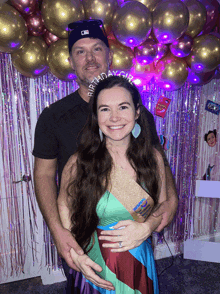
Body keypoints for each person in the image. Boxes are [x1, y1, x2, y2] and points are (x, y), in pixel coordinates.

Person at [33, 19, 178, 289]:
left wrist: (166, 205)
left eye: (97, 49)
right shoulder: (53, 117)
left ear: (109, 55)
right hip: (84, 234)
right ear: (70, 60)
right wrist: (60, 233)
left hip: (135, 234)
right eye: (80, 51)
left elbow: (157, 163)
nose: (90, 58)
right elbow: (43, 176)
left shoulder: (142, 115)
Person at [58, 75, 166, 293]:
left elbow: (163, 204)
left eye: (123, 107)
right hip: (98, 263)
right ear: (96, 116)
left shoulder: (153, 157)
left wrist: (147, 227)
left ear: (137, 112)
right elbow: (63, 204)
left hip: (140, 260)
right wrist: (76, 254)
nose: (114, 117)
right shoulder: (79, 162)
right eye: (105, 109)